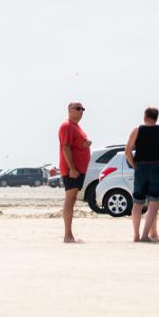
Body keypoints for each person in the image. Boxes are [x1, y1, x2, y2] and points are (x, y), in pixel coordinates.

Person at [124, 106, 159, 243]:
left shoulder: (137, 130)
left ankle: (136, 235)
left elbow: (127, 152)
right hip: (157, 166)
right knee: (154, 203)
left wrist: (135, 165)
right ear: (157, 118)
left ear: (145, 116)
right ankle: (145, 234)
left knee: (137, 203)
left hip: (141, 167)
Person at [58, 101, 90, 243]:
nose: (81, 111)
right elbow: (65, 148)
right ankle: (68, 235)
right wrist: (72, 168)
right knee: (70, 200)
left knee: (72, 199)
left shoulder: (76, 127)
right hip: (73, 170)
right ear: (69, 110)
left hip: (78, 169)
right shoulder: (67, 126)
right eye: (77, 108)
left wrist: (85, 144)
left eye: (82, 109)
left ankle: (69, 234)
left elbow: (75, 145)